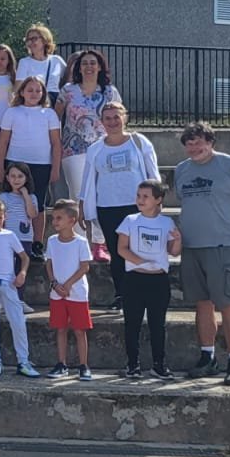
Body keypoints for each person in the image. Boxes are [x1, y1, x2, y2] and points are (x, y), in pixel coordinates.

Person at [174, 122, 230, 386]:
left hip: (224, 247)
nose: (194, 147)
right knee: (202, 304)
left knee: (229, 306)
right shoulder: (181, 170)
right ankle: (207, 357)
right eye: (189, 143)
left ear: (211, 142)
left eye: (199, 142)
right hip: (192, 248)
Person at [80, 101, 159, 309]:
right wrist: (82, 206)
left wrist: (156, 202)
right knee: (117, 252)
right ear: (101, 122)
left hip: (137, 206)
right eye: (108, 118)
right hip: (107, 207)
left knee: (140, 250)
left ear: (125, 118)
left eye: (116, 117)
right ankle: (122, 295)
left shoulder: (139, 142)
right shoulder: (95, 149)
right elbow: (87, 181)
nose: (113, 121)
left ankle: (143, 294)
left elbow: (153, 174)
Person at [56, 49, 122, 262]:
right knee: (78, 196)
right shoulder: (68, 91)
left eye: (93, 63)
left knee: (101, 194)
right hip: (73, 150)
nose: (89, 67)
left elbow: (119, 117)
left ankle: (99, 243)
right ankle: (80, 243)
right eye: (84, 63)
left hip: (103, 150)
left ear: (100, 66)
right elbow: (55, 118)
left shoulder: (110, 92)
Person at [117, 178, 181, 381]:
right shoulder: (130, 220)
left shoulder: (166, 222)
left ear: (158, 199)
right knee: (132, 323)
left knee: (157, 324)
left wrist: (178, 240)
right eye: (138, 196)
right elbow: (121, 248)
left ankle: (159, 365)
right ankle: (132, 364)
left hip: (158, 280)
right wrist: (140, 262)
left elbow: (173, 251)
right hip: (134, 279)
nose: (140, 200)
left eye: (146, 196)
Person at [0, 76, 61, 257]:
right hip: (15, 162)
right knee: (13, 201)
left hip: (41, 165)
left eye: (38, 90)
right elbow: (3, 142)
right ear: (22, 92)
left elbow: (56, 143)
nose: (34, 94)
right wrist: (0, 168)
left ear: (43, 93)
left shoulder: (49, 114)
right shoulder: (12, 112)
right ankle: (9, 241)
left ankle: (37, 244)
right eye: (30, 90)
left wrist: (55, 168)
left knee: (38, 204)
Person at [0, 199, 37, 377]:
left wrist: (22, 273)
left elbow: (24, 257)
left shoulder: (10, 235)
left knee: (18, 321)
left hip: (9, 283)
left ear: (5, 217)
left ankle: (23, 361)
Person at [44, 199, 94, 380]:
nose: (55, 221)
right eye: (54, 218)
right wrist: (54, 284)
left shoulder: (81, 242)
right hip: (57, 293)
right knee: (60, 329)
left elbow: (84, 267)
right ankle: (61, 364)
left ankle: (84, 365)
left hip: (77, 293)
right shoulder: (52, 241)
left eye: (59, 218)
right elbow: (49, 264)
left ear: (72, 220)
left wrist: (68, 285)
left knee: (80, 330)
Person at [17, 24, 67, 104]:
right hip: (35, 101)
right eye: (28, 40)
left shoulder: (57, 60)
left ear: (44, 40)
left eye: (34, 39)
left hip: (54, 102)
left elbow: (68, 79)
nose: (30, 42)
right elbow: (19, 87)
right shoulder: (24, 62)